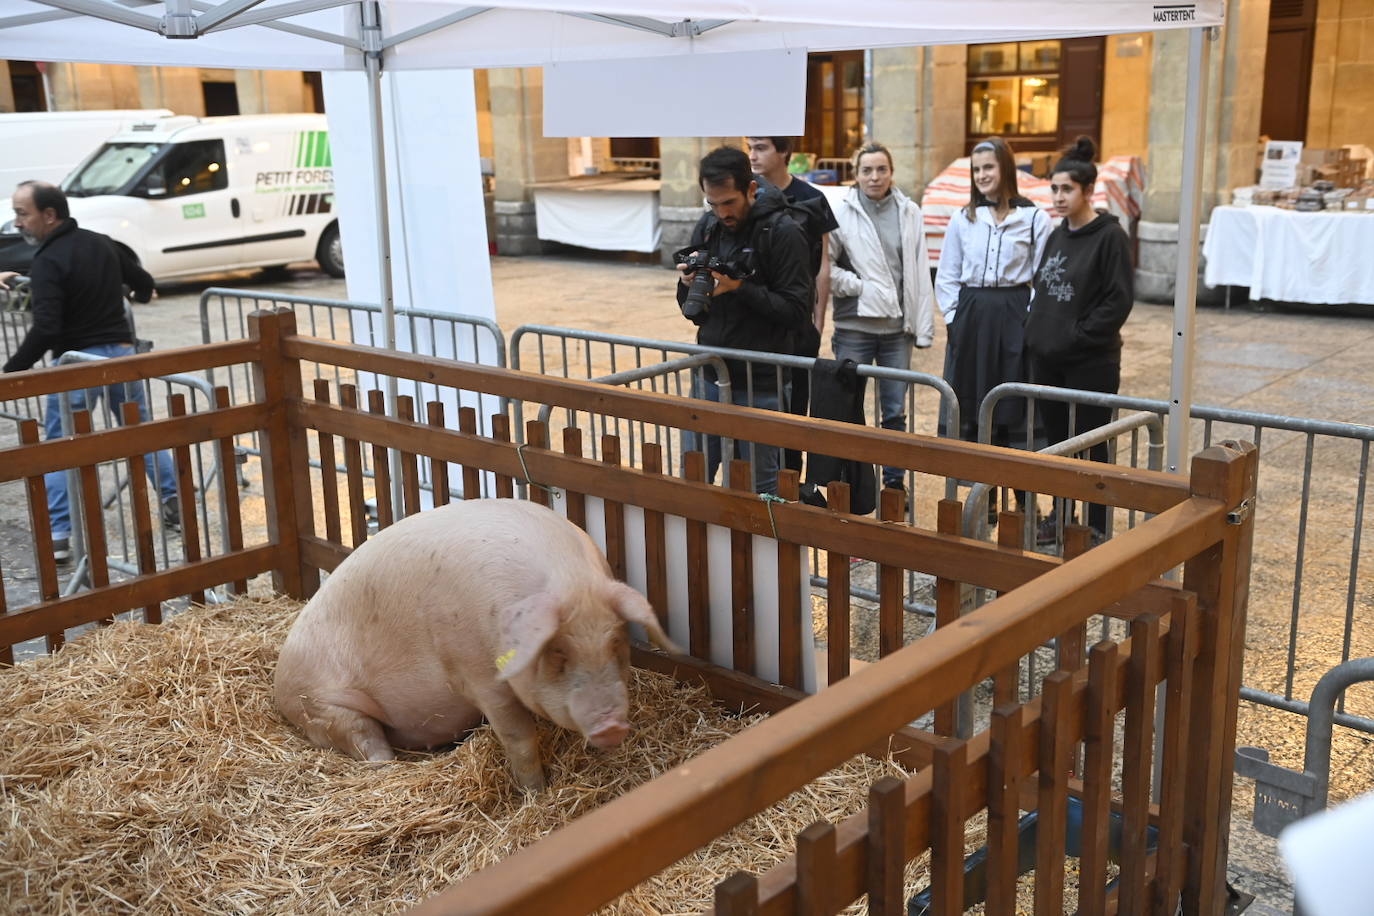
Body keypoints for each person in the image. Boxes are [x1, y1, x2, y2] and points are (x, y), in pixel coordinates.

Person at [2, 180, 180, 564]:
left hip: (76, 365)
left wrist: (10, 371)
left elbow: (47, 327)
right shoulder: (101, 242)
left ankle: (61, 534)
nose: (17, 223)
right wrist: (131, 295)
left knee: (59, 448)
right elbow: (144, 285)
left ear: (49, 216)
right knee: (139, 432)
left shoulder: (49, 260)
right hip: (119, 354)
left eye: (22, 214)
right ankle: (173, 501)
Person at [677, 147, 812, 495]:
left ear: (751, 189)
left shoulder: (784, 233)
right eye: (713, 203)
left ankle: (753, 551)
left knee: (758, 489)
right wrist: (688, 284)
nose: (722, 213)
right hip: (710, 374)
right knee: (693, 478)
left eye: (729, 203)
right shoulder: (710, 226)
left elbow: (796, 311)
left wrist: (739, 287)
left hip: (761, 382)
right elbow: (691, 310)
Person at [1026, 137, 1134, 543]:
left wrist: (1076, 336)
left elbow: (1117, 301)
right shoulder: (1057, 234)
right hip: (1049, 360)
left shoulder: (1109, 237)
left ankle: (1096, 527)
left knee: (1092, 445)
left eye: (1066, 189)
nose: (1058, 196)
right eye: (1054, 188)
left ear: (1088, 191)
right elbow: (1043, 287)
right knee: (1057, 444)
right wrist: (1037, 332)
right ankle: (1062, 514)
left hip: (1089, 363)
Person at [826, 142, 935, 492]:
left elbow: (917, 271)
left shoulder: (908, 211)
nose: (875, 177)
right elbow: (826, 268)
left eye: (881, 169)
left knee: (894, 411)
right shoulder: (840, 211)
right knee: (848, 406)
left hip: (895, 330)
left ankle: (893, 484)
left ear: (891, 172)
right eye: (867, 170)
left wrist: (922, 326)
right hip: (854, 325)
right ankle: (850, 482)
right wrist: (860, 287)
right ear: (855, 174)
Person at [935, 137, 1052, 448]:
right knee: (971, 394)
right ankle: (979, 485)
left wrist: (1029, 318)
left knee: (1014, 395)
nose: (982, 175)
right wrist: (953, 318)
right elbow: (946, 274)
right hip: (972, 315)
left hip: (1015, 314)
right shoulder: (964, 218)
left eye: (989, 167)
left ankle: (1019, 485)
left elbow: (1043, 278)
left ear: (1006, 168)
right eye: (976, 170)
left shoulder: (1034, 218)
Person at [746, 136, 839, 480]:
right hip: (758, 325)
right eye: (749, 147)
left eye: (761, 147)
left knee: (795, 411)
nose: (753, 155)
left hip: (797, 323)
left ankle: (789, 486)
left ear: (784, 152)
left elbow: (823, 264)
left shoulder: (811, 198)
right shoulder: (745, 196)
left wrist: (817, 322)